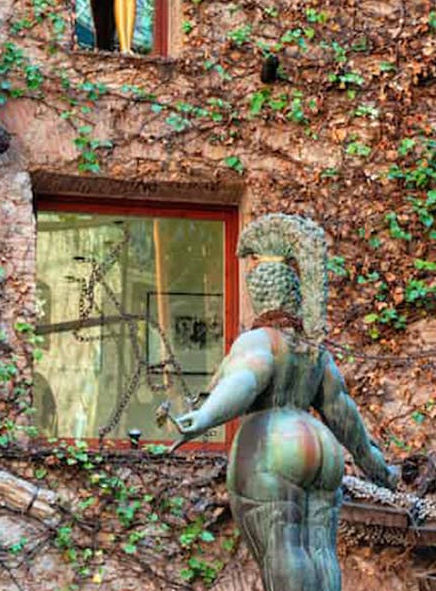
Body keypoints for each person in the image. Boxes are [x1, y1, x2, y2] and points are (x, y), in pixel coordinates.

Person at [163, 214, 394, 591]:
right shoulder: (315, 354)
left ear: (259, 295)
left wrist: (204, 416)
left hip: (272, 445)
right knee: (322, 550)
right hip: (322, 446)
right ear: (293, 296)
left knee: (283, 548)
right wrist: (377, 467)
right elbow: (344, 414)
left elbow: (245, 379)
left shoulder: (259, 340)